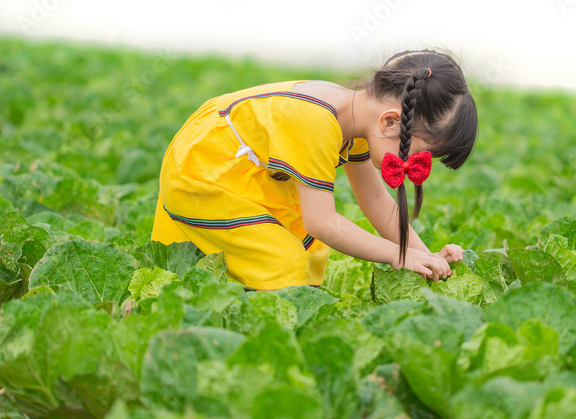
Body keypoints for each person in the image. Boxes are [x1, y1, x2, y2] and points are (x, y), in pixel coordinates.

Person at [151, 48, 478, 292]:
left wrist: (425, 255)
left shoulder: (358, 119)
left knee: (311, 257)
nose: (410, 167)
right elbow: (324, 223)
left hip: (248, 172)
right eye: (418, 154)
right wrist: (397, 255)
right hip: (208, 169)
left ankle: (238, 302)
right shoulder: (319, 121)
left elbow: (376, 202)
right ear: (391, 121)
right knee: (284, 264)